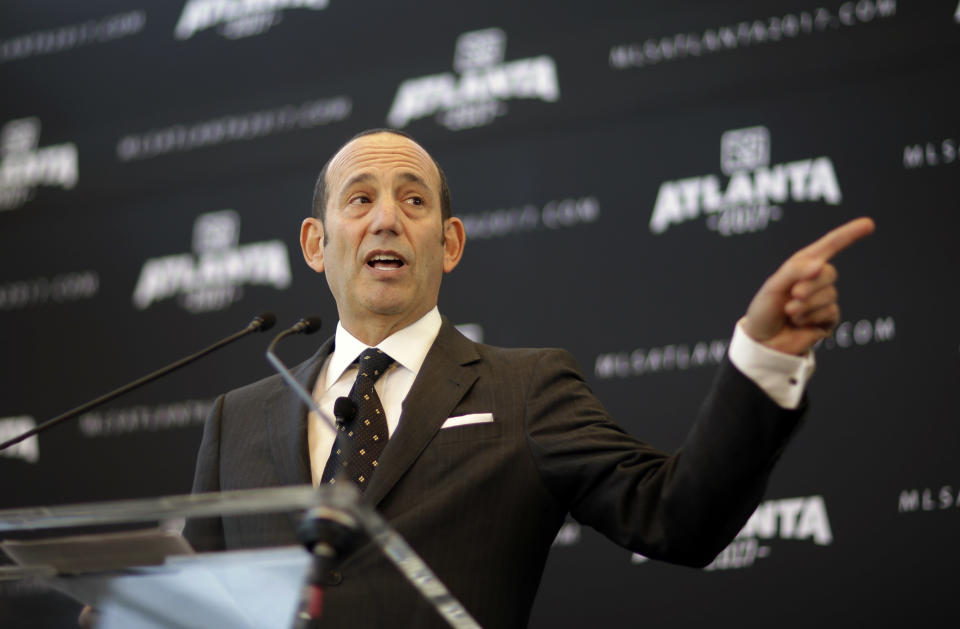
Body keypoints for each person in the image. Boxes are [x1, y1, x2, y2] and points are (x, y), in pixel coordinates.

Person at [183, 128, 875, 628]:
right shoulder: (236, 417)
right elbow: (197, 605)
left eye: (413, 201)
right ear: (315, 243)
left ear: (449, 244)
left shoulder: (525, 390)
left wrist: (762, 357)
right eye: (360, 199)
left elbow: (678, 516)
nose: (387, 219)